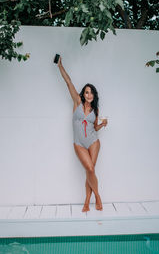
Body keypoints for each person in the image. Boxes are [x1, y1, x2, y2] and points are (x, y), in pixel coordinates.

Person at [57, 57, 107, 212]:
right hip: (79, 143)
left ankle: (87, 201)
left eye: (91, 92)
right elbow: (68, 82)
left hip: (93, 142)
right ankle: (98, 196)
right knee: (90, 169)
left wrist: (102, 125)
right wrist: (60, 66)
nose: (89, 95)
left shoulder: (95, 110)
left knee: (90, 170)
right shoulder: (77, 103)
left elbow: (94, 127)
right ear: (83, 94)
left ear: (94, 95)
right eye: (86, 92)